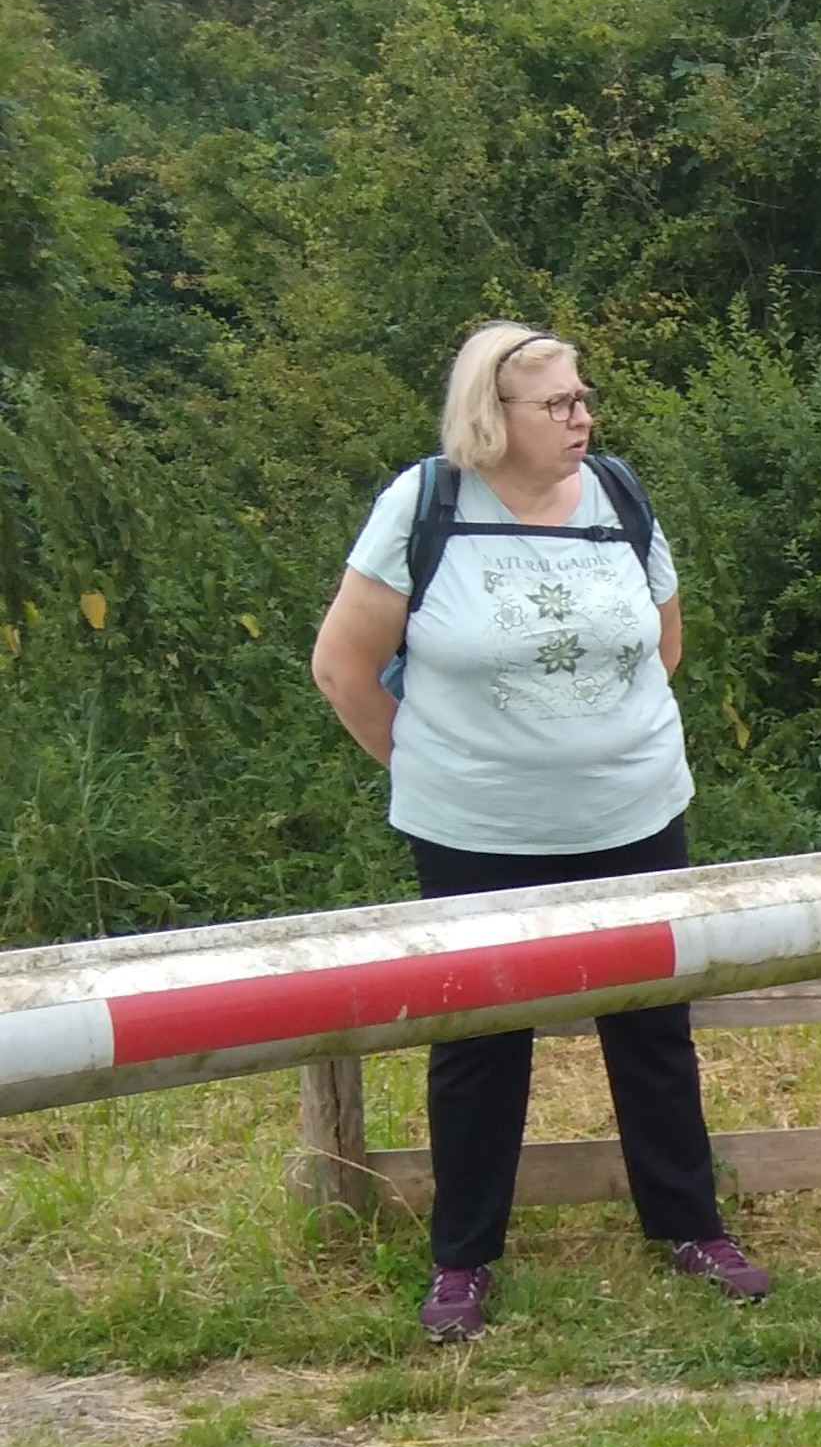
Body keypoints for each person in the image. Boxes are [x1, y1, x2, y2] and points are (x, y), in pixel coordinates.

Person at [309, 320, 771, 1343]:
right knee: (479, 1040)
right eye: (559, 403)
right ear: (493, 414)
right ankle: (464, 1257)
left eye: (584, 397)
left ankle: (689, 1226)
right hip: (476, 831)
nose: (583, 416)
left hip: (637, 808)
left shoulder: (618, 494)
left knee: (654, 1028)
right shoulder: (424, 503)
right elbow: (343, 669)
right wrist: (444, 772)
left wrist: (593, 747)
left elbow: (664, 640)